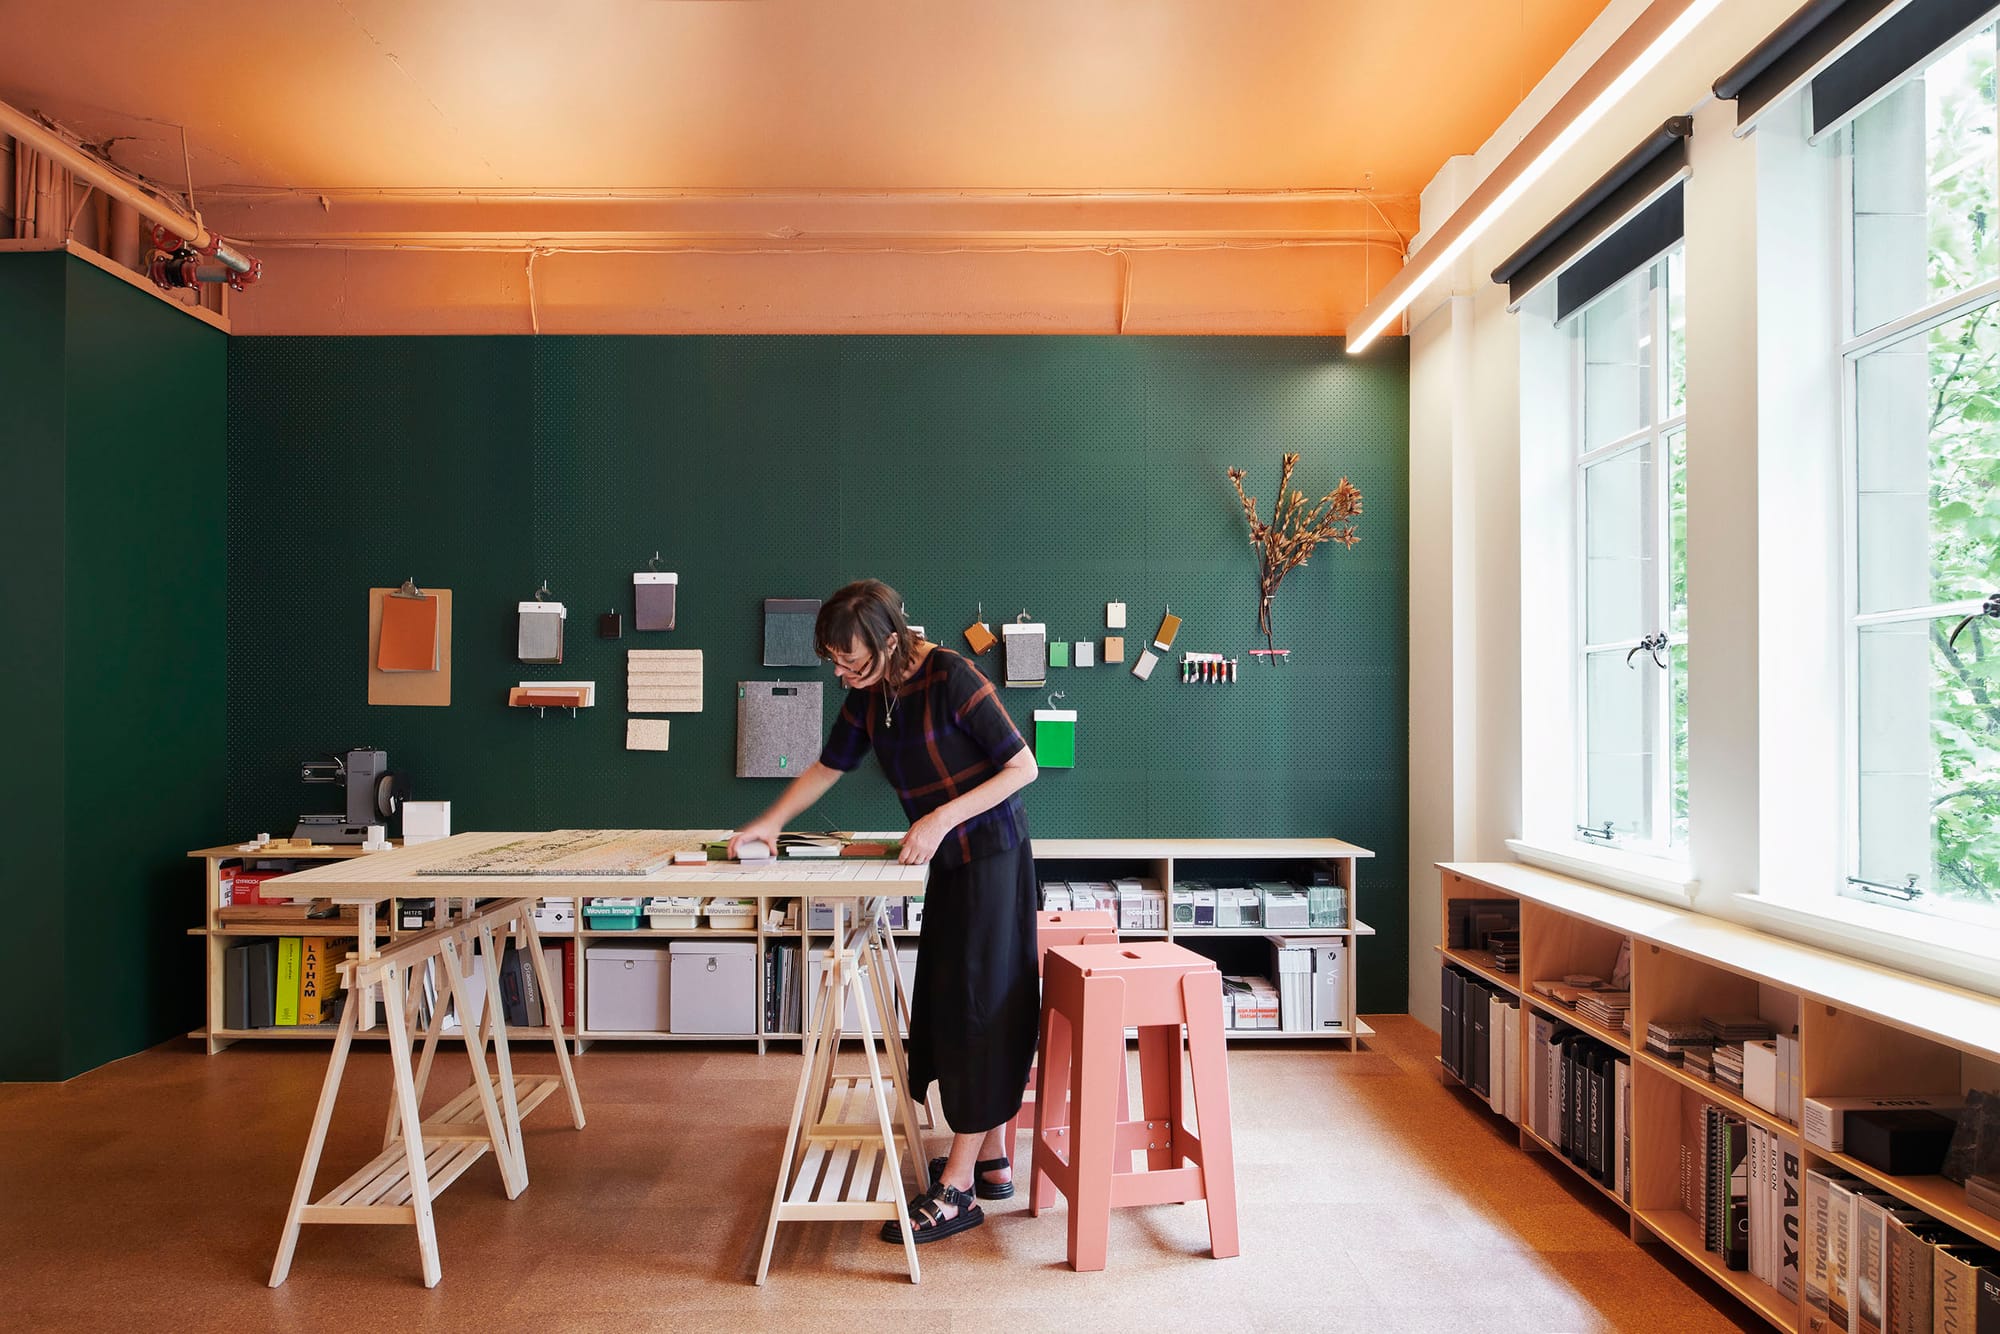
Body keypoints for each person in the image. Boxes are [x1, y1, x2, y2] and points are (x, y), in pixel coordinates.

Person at [729, 579, 1039, 1244]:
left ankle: (956, 1191)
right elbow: (827, 766)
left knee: (981, 1011)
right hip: (947, 864)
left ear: (889, 640)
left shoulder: (952, 675)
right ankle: (988, 1157)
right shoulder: (871, 697)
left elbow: (1022, 767)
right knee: (950, 1006)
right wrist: (768, 823)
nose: (843, 673)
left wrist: (937, 818)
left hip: (992, 856)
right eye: (834, 662)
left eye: (853, 661)